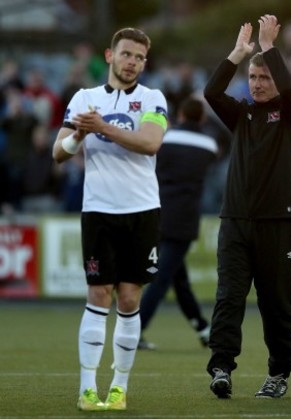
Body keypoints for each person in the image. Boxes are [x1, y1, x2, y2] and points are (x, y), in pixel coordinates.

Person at [52, 27, 168, 411]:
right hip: (99, 209)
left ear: (144, 63)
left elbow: (150, 143)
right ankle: (87, 388)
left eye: (139, 57)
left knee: (130, 298)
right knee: (98, 294)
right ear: (109, 56)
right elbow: (59, 152)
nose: (132, 62)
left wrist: (101, 127)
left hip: (141, 209)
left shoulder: (153, 98)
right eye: (126, 54)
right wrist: (79, 137)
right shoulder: (84, 98)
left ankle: (119, 386)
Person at [203, 15, 291, 400]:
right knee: (228, 296)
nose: (258, 85)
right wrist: (236, 55)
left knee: (276, 304)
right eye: (253, 78)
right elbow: (212, 93)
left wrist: (268, 48)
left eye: (265, 78)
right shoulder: (242, 115)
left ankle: (279, 372)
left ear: (276, 80)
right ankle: (221, 368)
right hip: (235, 222)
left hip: (278, 224)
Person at [138, 97, 217, 351]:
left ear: (180, 114)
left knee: (174, 278)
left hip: (158, 212)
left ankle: (203, 327)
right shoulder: (208, 145)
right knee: (164, 277)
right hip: (185, 219)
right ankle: (135, 331)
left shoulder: (165, 139)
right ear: (202, 118)